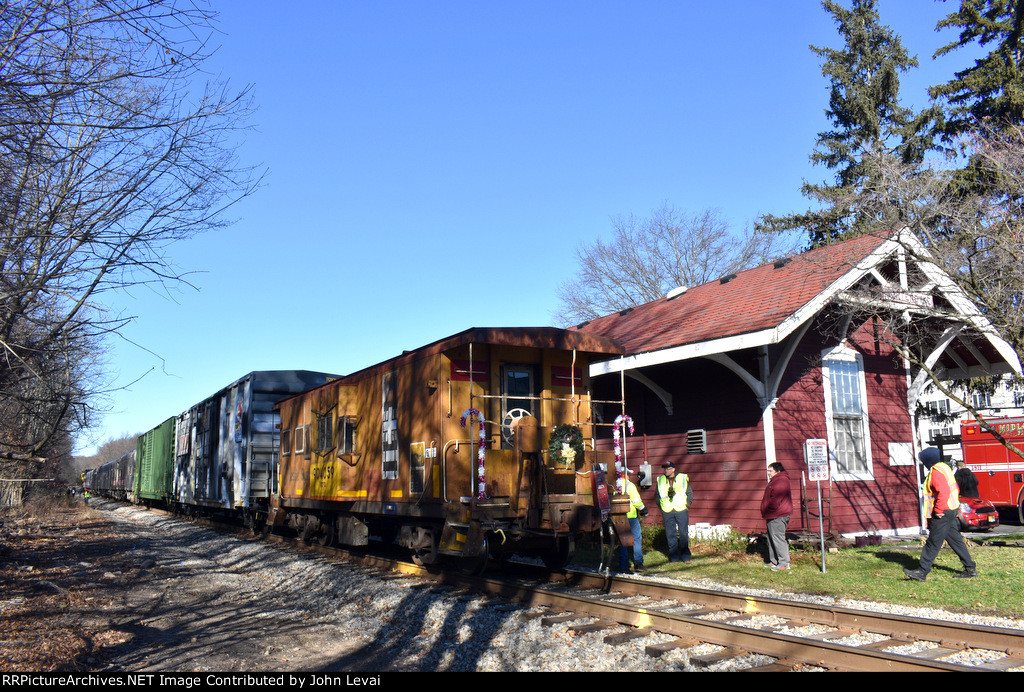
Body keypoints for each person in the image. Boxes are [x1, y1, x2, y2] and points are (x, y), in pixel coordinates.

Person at [904, 447, 977, 581]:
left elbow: (944, 492)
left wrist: (938, 510)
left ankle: (922, 571)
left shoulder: (936, 472)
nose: (922, 462)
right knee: (956, 540)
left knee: (933, 542)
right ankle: (970, 568)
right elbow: (955, 488)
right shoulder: (944, 467)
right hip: (950, 509)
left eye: (923, 460)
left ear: (928, 461)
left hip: (942, 512)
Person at [656, 461, 693, 562]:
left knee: (683, 533)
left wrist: (687, 506)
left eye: (668, 468)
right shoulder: (660, 480)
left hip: (681, 509)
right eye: (665, 469)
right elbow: (657, 496)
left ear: (673, 469)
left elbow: (689, 492)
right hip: (667, 510)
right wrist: (662, 507)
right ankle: (674, 558)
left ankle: (686, 557)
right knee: (670, 534)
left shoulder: (682, 477)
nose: (666, 470)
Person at [760, 462, 793, 572]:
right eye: (768, 470)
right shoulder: (776, 480)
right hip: (773, 514)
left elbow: (775, 500)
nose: (768, 473)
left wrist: (768, 509)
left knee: (778, 539)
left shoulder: (781, 481)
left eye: (770, 471)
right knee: (771, 538)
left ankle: (784, 563)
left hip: (778, 515)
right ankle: (774, 561)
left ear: (777, 471)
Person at [617, 473, 647, 573]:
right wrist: (643, 509)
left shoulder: (613, 485)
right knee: (636, 539)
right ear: (625, 475)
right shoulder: (629, 485)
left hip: (619, 517)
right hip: (631, 516)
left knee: (622, 541)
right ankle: (638, 563)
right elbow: (636, 501)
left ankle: (623, 566)